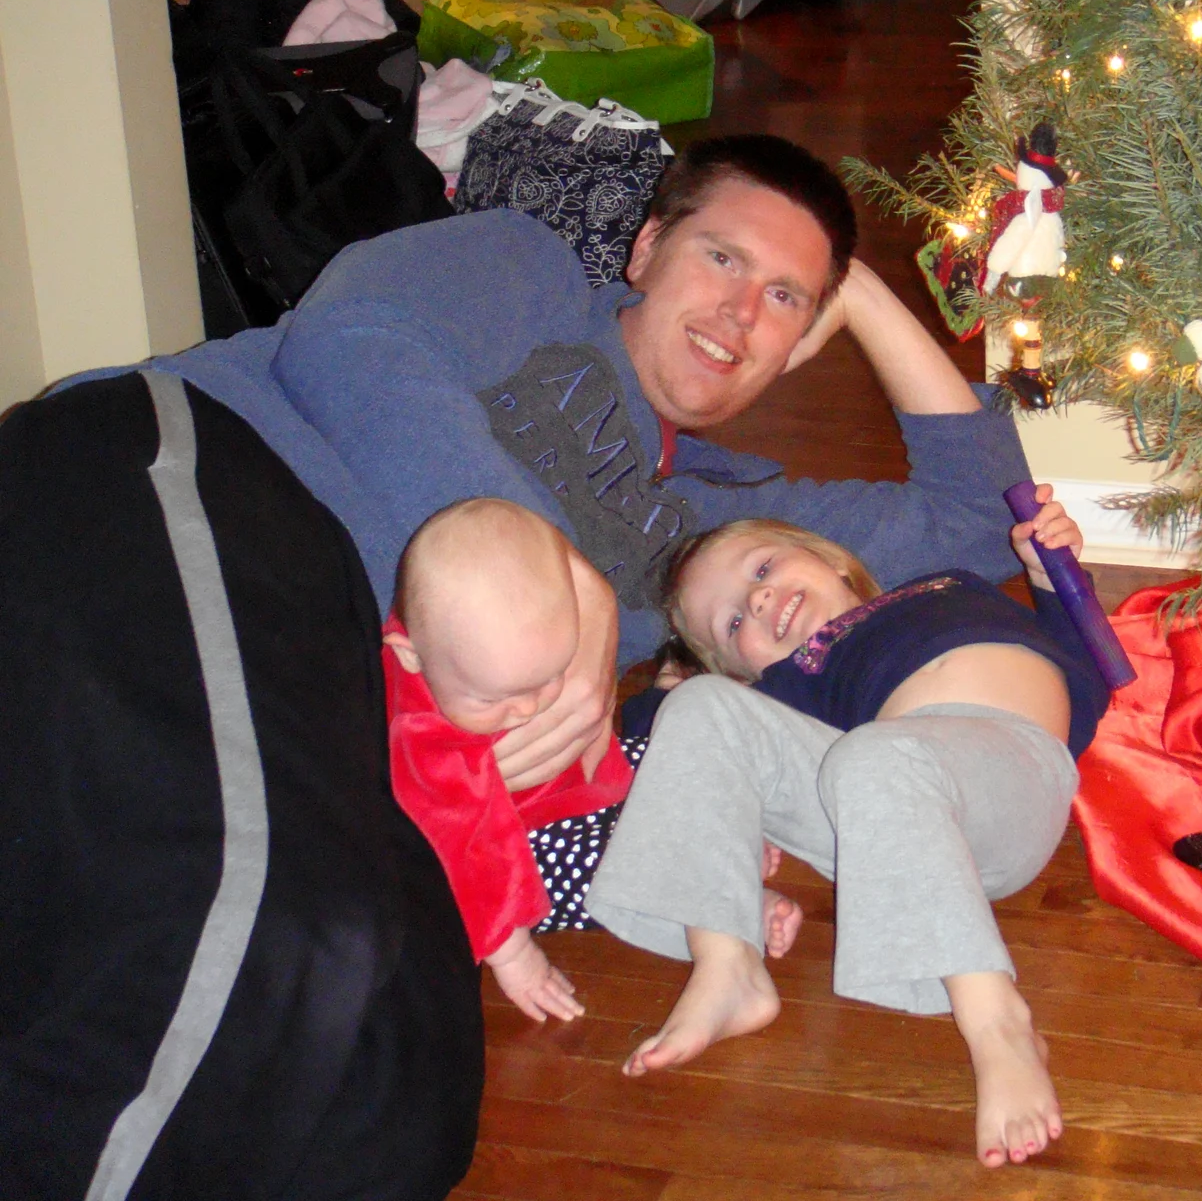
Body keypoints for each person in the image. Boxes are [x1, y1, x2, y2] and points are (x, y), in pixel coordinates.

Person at [148, 133, 1032, 796]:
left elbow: (986, 520)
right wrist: (561, 575)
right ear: (646, 250)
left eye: (783, 296)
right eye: (721, 258)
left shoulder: (727, 534)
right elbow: (348, 341)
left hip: (269, 705)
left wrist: (864, 294)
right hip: (180, 478)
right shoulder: (525, 270)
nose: (740, 312)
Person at [584, 485, 1108, 1169]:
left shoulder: (946, 585)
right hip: (888, 816)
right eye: (734, 622)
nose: (759, 600)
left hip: (1006, 781)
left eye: (763, 568)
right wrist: (668, 689)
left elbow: (1087, 665)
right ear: (747, 670)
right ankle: (727, 963)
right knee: (706, 711)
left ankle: (995, 1020)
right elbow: (665, 740)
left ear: (830, 559)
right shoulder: (791, 680)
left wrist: (1048, 577)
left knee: (875, 756)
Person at [379, 497, 799, 1022]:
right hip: (519, 838)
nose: (529, 710)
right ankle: (731, 907)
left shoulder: (473, 656)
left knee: (683, 751)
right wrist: (514, 957)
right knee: (603, 878)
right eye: (493, 700)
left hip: (588, 778)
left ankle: (726, 832)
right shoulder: (422, 741)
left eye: (549, 678)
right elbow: (466, 857)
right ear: (409, 655)